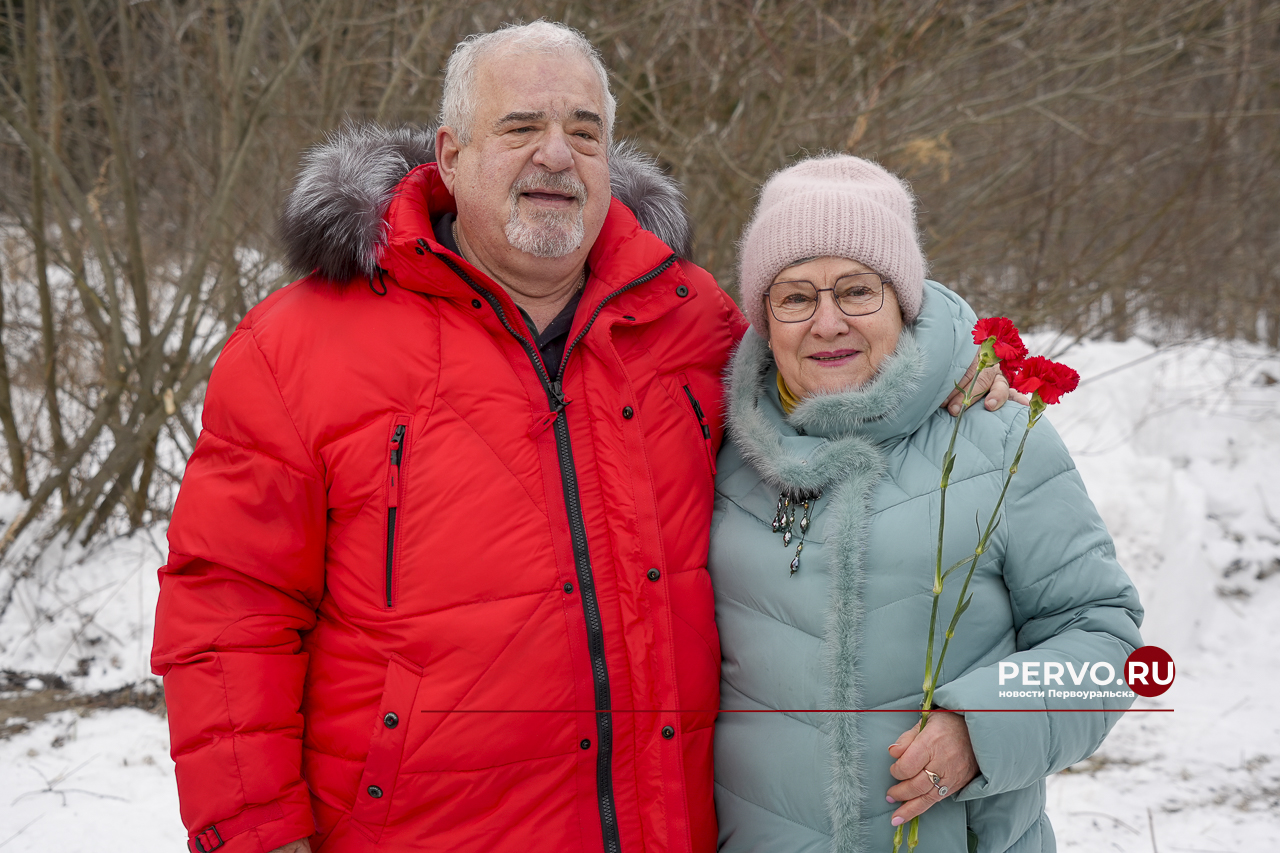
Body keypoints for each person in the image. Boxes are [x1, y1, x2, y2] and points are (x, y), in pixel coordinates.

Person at [151, 21, 1011, 853]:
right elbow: (227, 603)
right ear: (450, 155)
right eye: (520, 125)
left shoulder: (689, 323)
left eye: (583, 130)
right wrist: (256, 832)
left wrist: (958, 357)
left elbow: (842, 363)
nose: (555, 154)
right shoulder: (298, 344)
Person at [708, 155, 1144, 853]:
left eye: (857, 291)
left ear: (904, 301)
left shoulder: (994, 434)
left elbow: (1109, 642)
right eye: (795, 296)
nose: (826, 323)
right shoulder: (716, 446)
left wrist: (983, 728)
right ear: (763, 316)